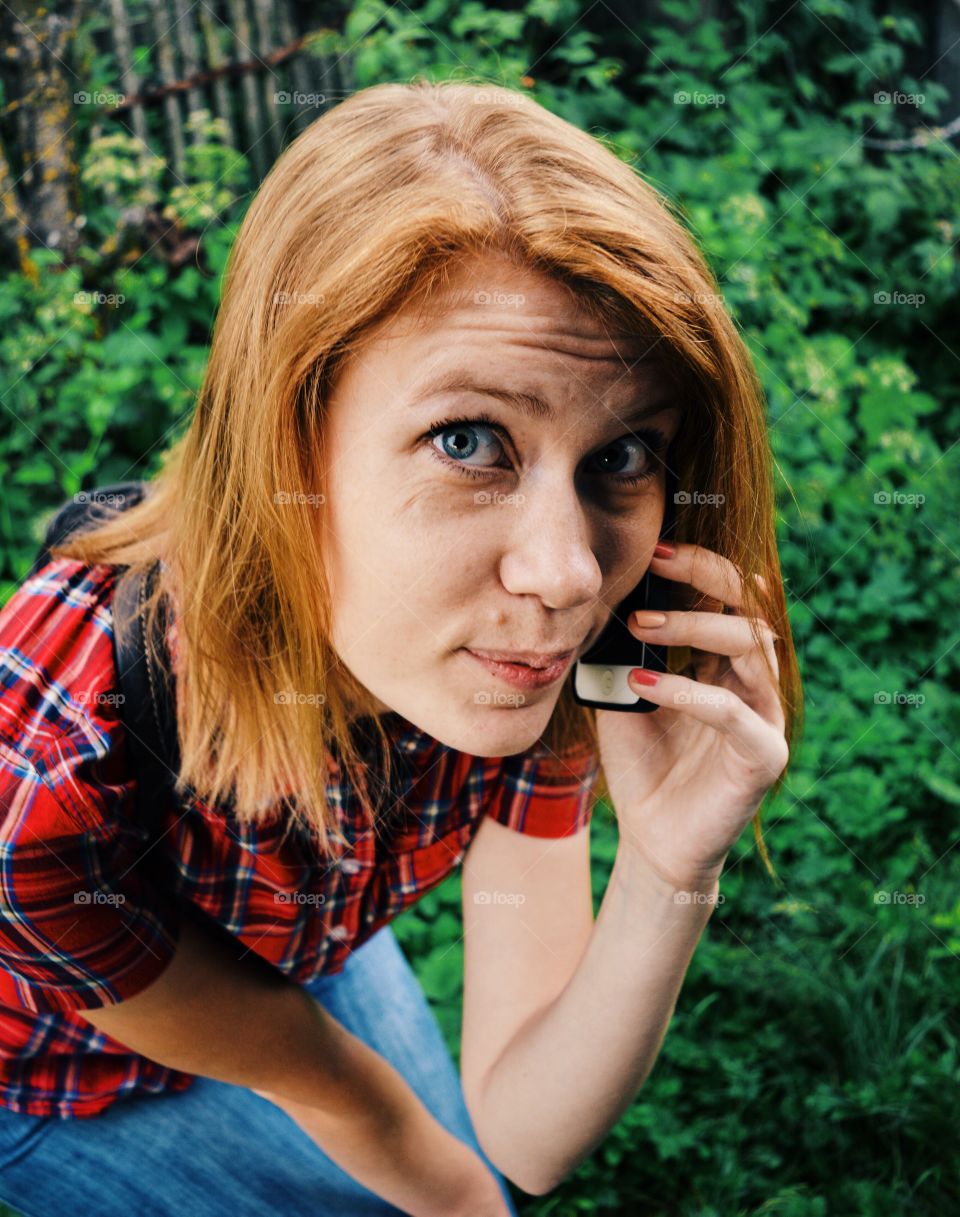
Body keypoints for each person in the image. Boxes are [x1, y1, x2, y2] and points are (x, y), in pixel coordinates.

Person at [0, 78, 801, 1216]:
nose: (569, 573)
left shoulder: (526, 638)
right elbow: (339, 1092)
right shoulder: (46, 780)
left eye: (622, 454)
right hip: (58, 1067)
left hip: (291, 936)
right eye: (469, 440)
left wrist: (672, 870)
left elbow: (525, 1128)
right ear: (290, 431)